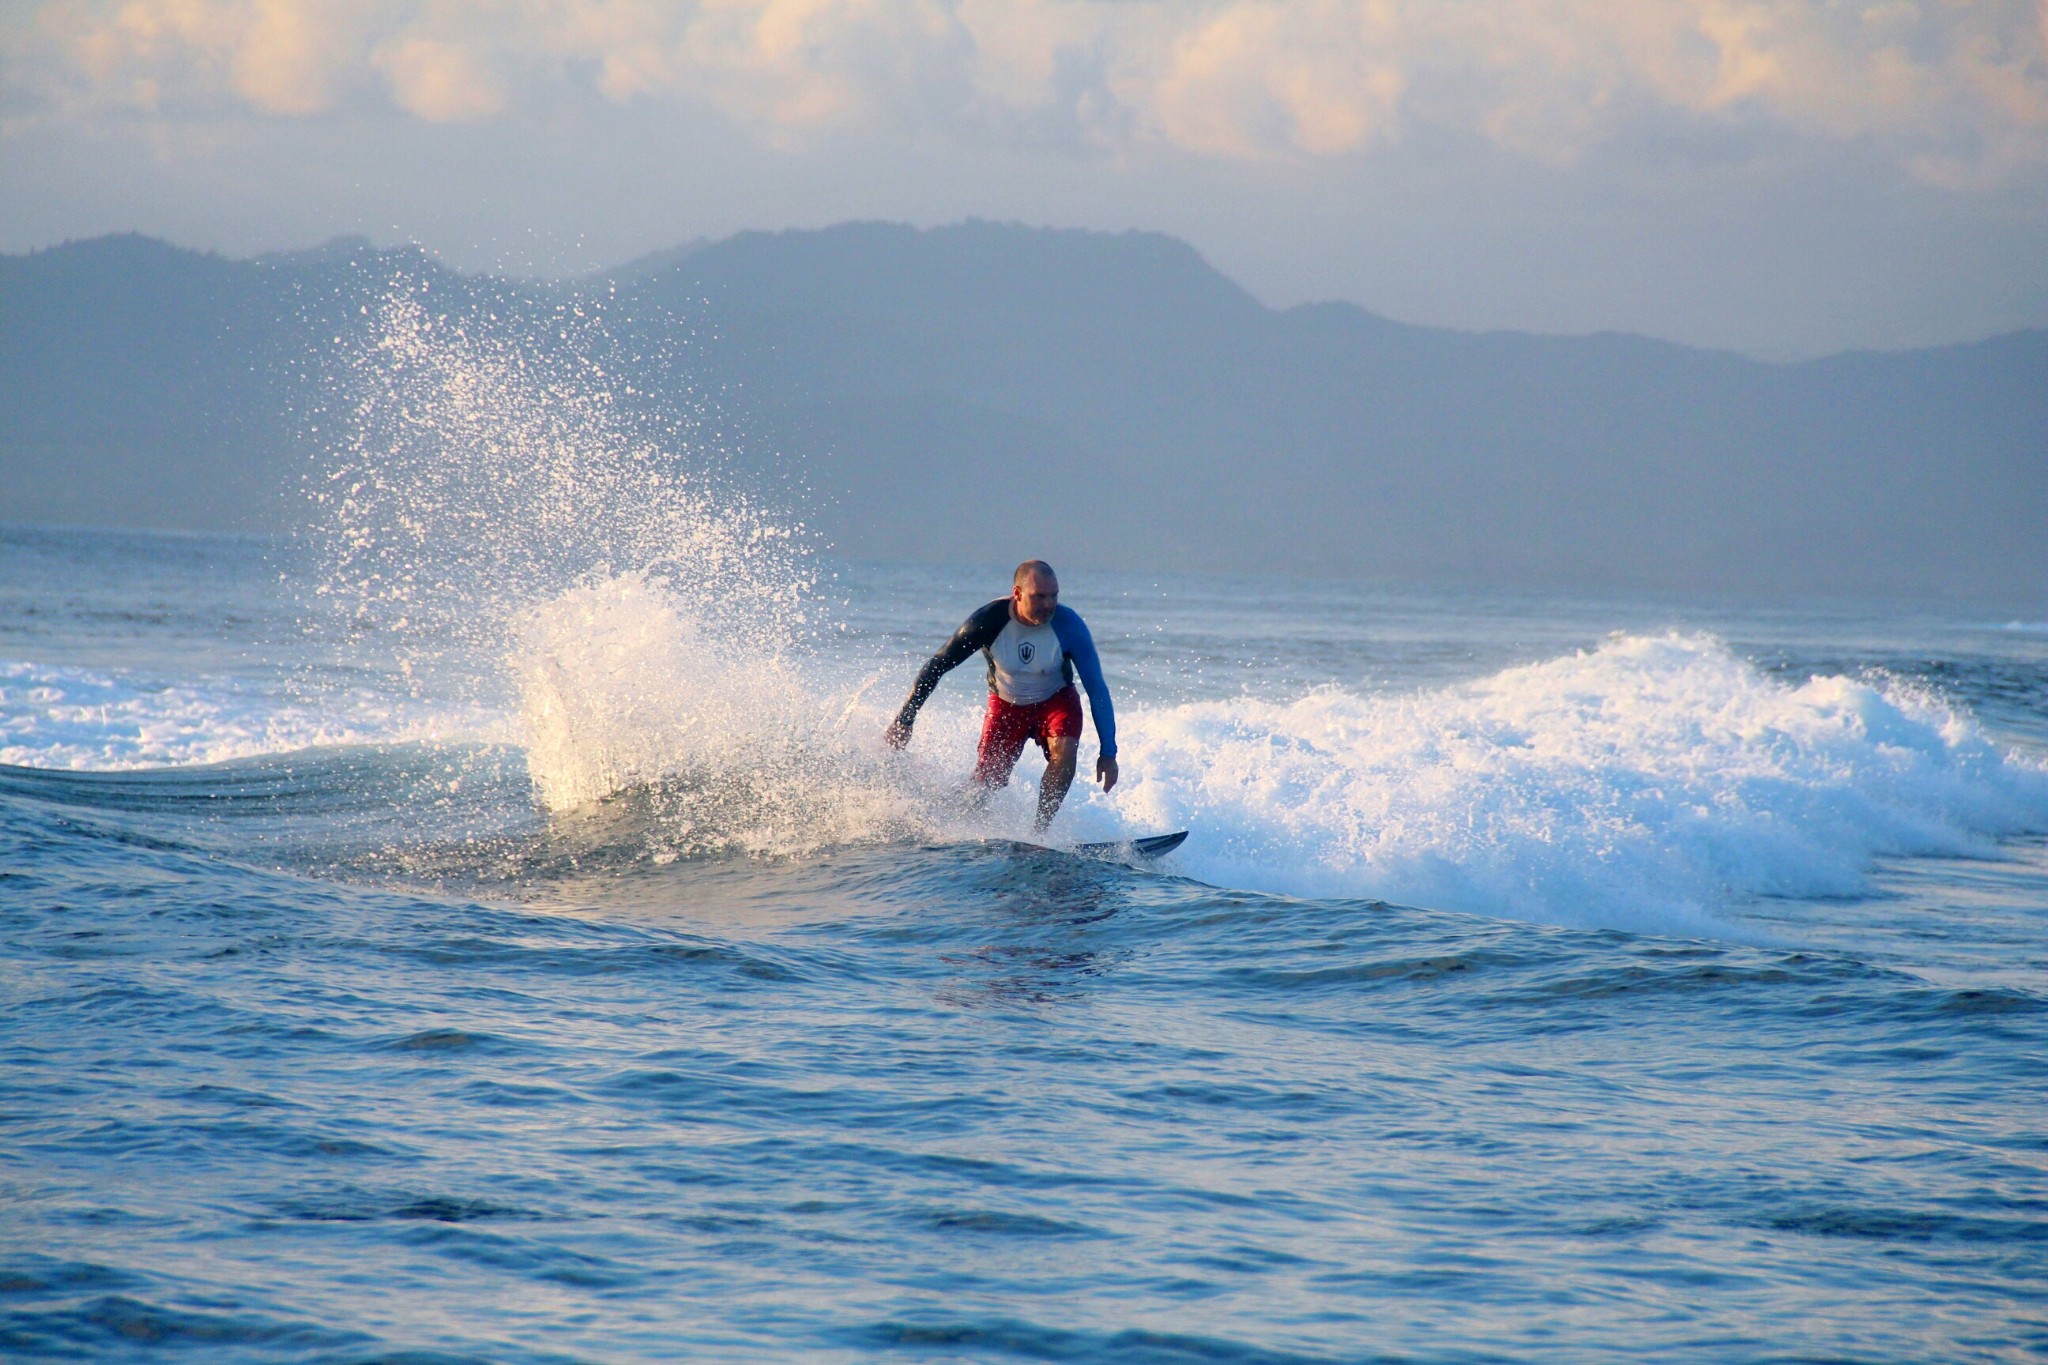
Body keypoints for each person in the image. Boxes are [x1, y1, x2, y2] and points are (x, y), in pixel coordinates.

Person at [884, 560, 1118, 828]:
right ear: (1017, 594)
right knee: (986, 782)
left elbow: (1097, 689)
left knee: (1064, 751)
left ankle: (1040, 833)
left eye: (1054, 596)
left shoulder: (1069, 626)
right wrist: (905, 720)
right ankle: (947, 822)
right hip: (1007, 704)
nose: (1048, 605)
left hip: (1056, 700)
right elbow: (938, 665)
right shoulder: (988, 621)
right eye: (1039, 596)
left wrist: (1108, 753)